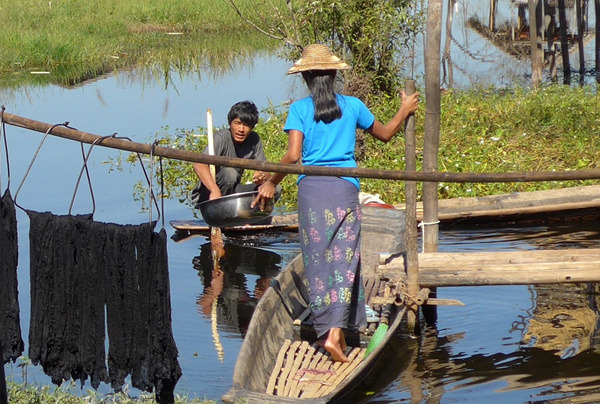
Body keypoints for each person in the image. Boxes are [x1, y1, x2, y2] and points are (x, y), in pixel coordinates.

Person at [252, 44, 419, 362]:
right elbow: (384, 133)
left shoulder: (299, 110)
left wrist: (272, 182)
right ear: (333, 75)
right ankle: (336, 334)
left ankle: (330, 330)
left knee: (317, 261)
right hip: (343, 190)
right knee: (344, 261)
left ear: (306, 79)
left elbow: (292, 156)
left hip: (311, 193)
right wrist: (405, 109)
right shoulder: (353, 106)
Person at [191, 100, 277, 208]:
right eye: (237, 123)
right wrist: (214, 190)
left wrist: (263, 177)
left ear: (252, 127)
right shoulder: (221, 138)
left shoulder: (254, 139)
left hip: (232, 191)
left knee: (274, 188)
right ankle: (221, 211)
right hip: (209, 194)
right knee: (230, 173)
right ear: (230, 123)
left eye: (246, 125)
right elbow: (198, 164)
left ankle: (251, 216)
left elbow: (266, 170)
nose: (241, 129)